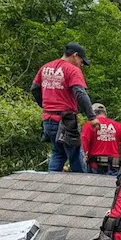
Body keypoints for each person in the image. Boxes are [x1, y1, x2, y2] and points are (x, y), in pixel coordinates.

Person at [31, 43, 99, 173]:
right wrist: (92, 117)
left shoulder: (45, 68)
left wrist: (46, 106)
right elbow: (80, 93)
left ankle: (50, 185)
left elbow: (34, 89)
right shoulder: (72, 70)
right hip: (66, 121)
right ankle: (82, 187)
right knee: (75, 157)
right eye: (81, 61)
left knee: (58, 154)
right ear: (75, 55)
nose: (81, 65)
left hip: (48, 120)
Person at [81, 103, 121, 175]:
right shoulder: (118, 126)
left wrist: (83, 158)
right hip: (114, 166)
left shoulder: (89, 124)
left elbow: (84, 141)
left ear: (92, 114)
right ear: (105, 113)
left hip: (95, 166)